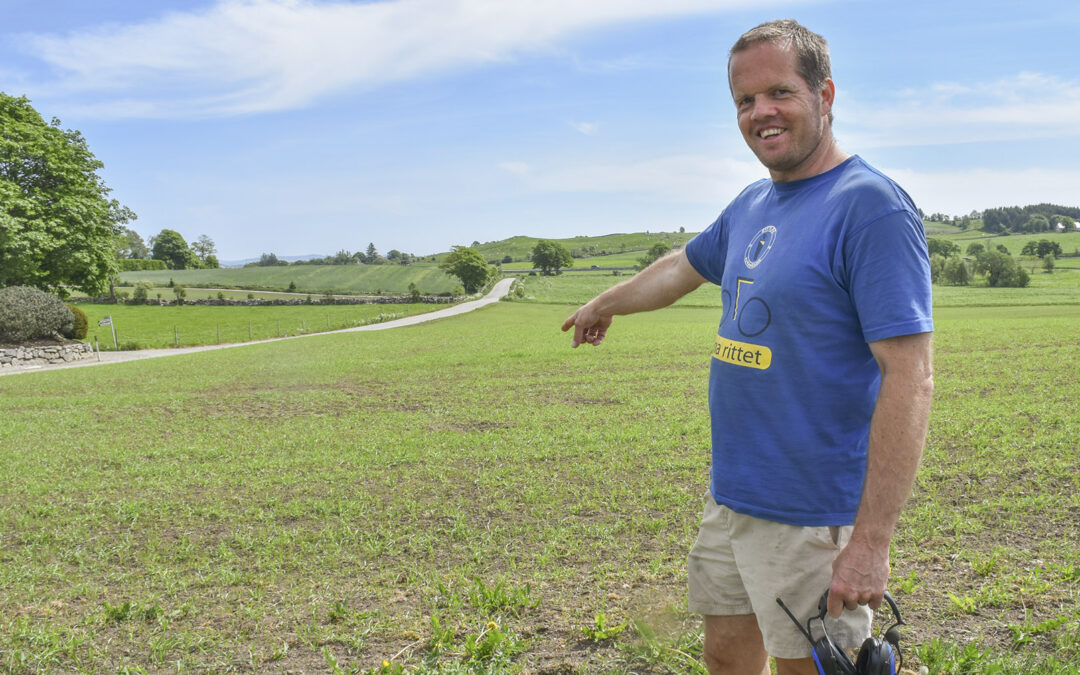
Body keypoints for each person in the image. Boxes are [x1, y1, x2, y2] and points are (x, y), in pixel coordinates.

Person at [561, 19, 934, 675]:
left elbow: (910, 375)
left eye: (779, 92)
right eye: (744, 100)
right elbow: (682, 266)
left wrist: (871, 541)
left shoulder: (869, 206)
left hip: (811, 514)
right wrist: (605, 302)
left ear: (824, 96)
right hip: (734, 495)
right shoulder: (753, 203)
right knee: (727, 655)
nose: (761, 112)